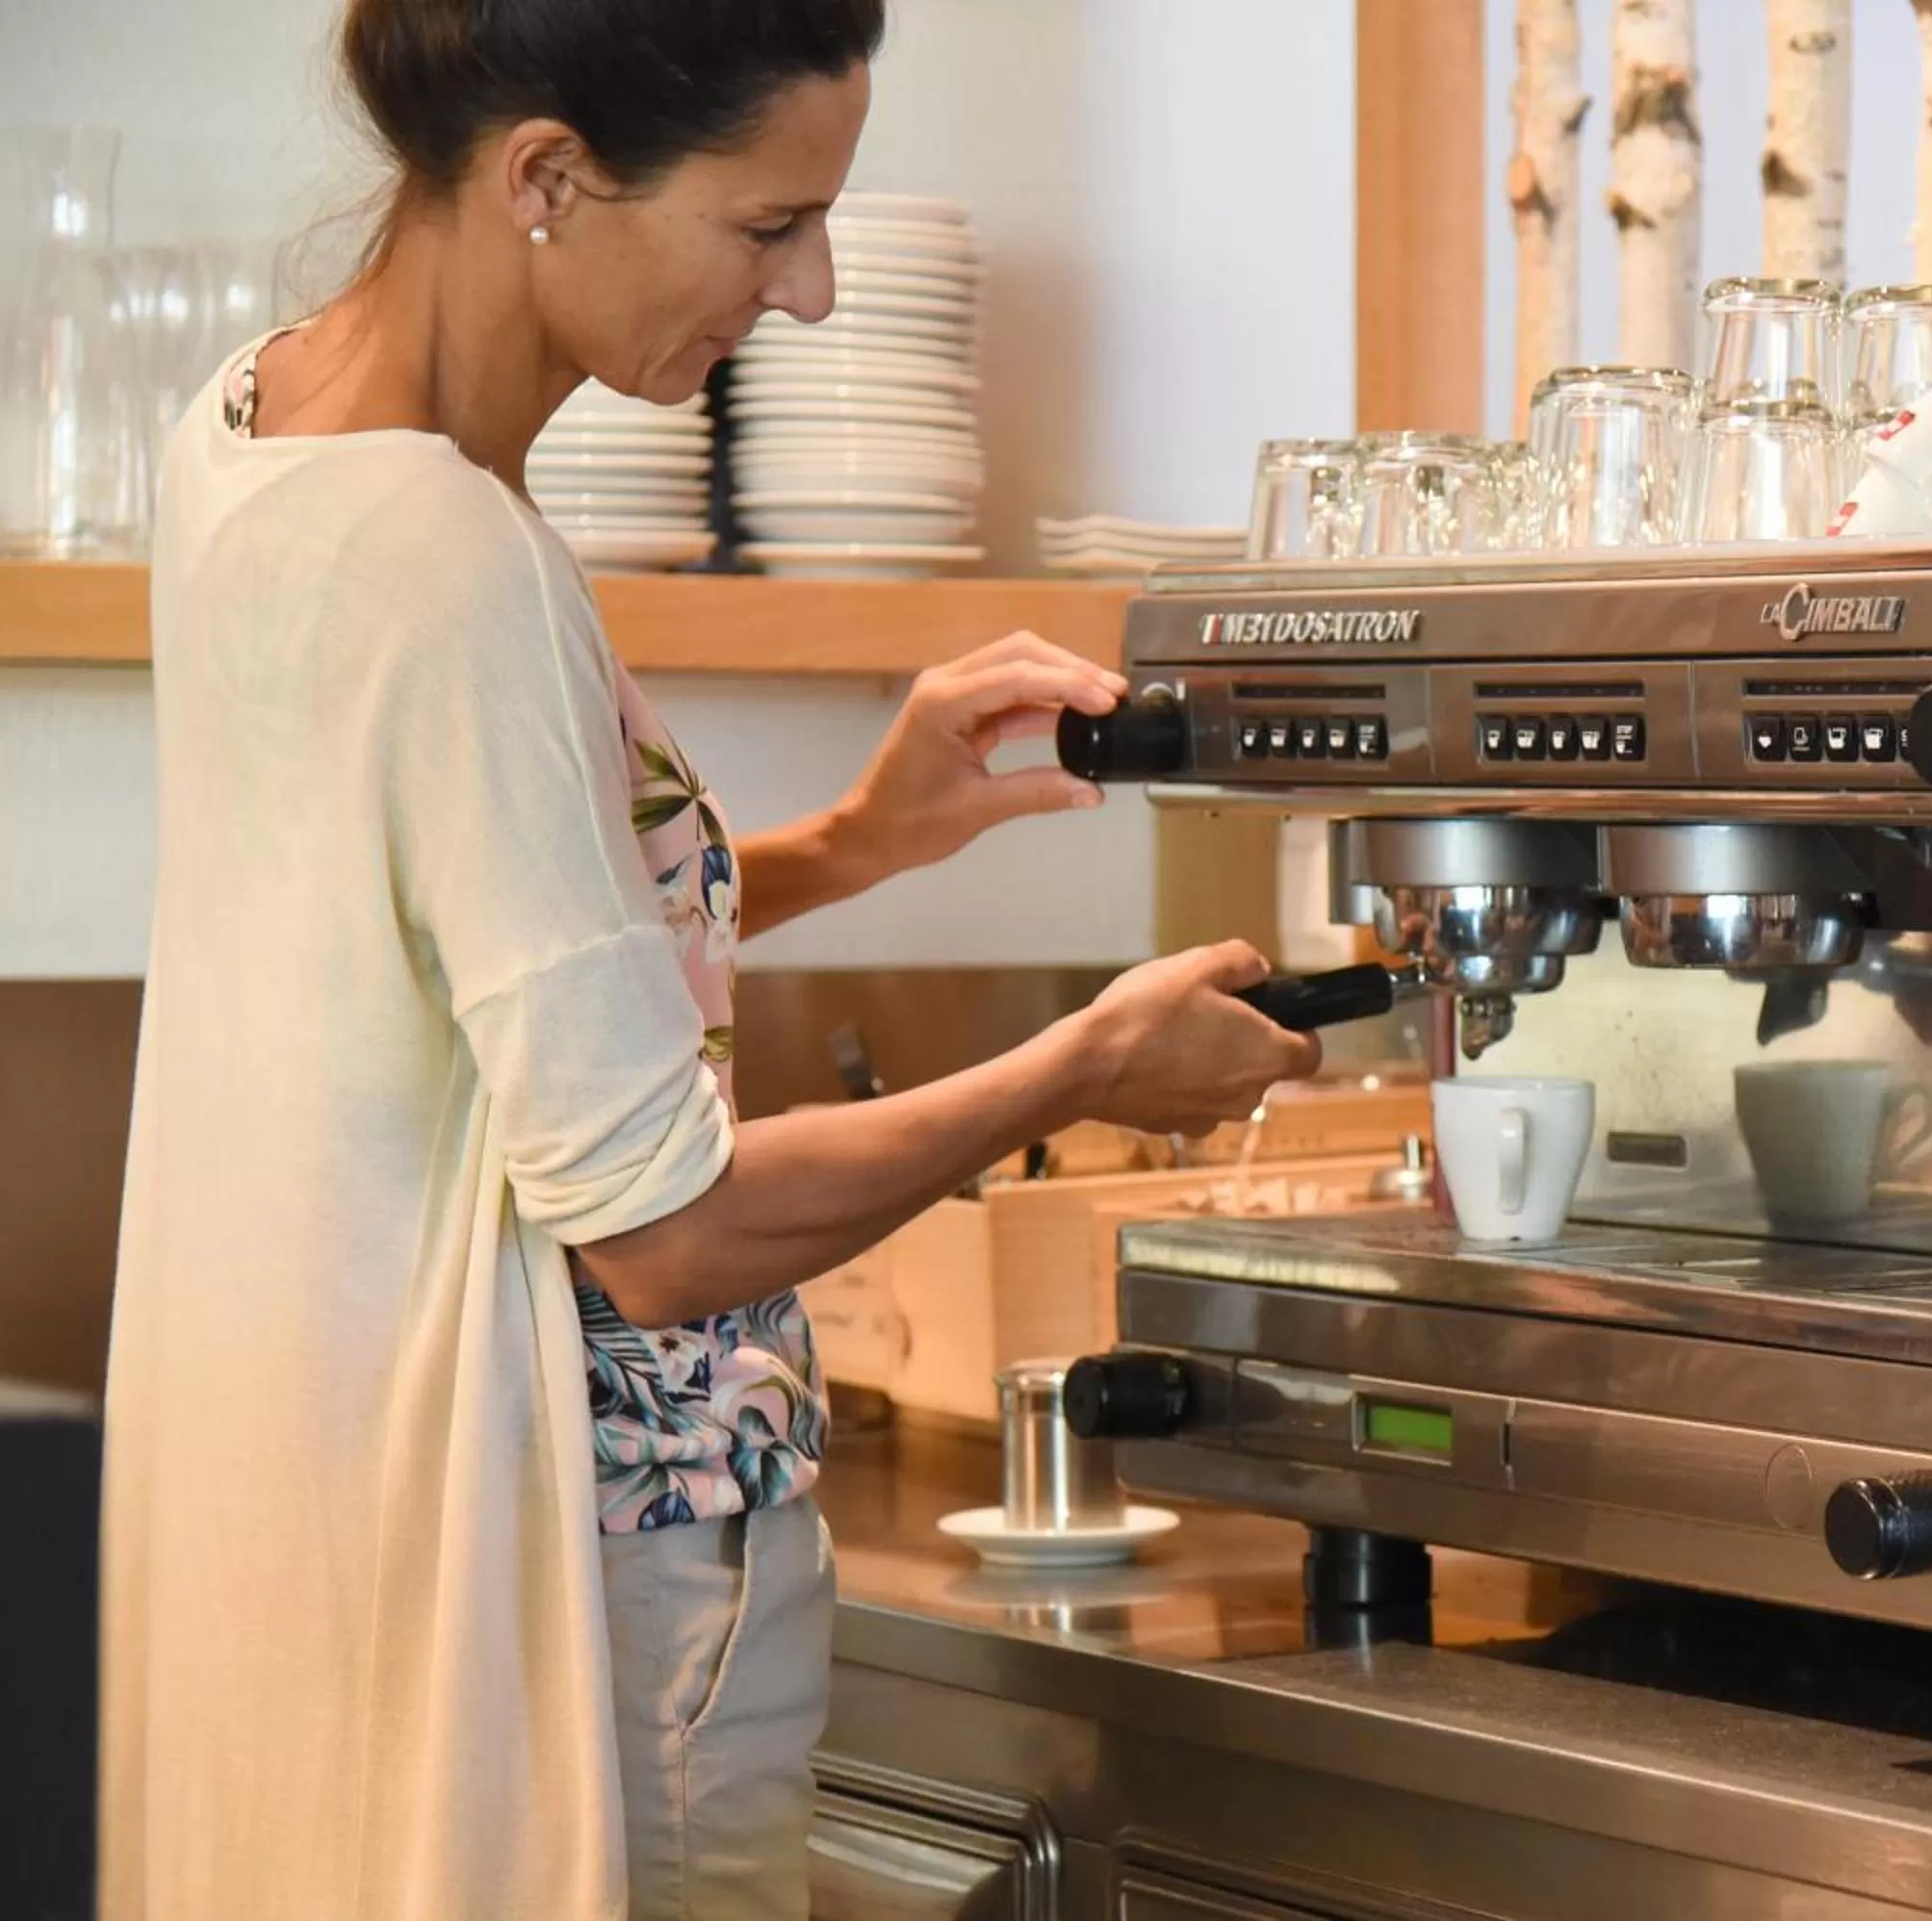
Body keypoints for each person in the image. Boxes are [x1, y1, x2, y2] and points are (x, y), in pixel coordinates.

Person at [95, 2, 1320, 1915]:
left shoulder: (249, 429)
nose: (816, 292)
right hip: (592, 1590)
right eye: (768, 226)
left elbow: (473, 943)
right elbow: (659, 1228)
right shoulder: (449, 551)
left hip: (329, 1510)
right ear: (549, 179)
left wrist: (856, 837)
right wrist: (1083, 1064)